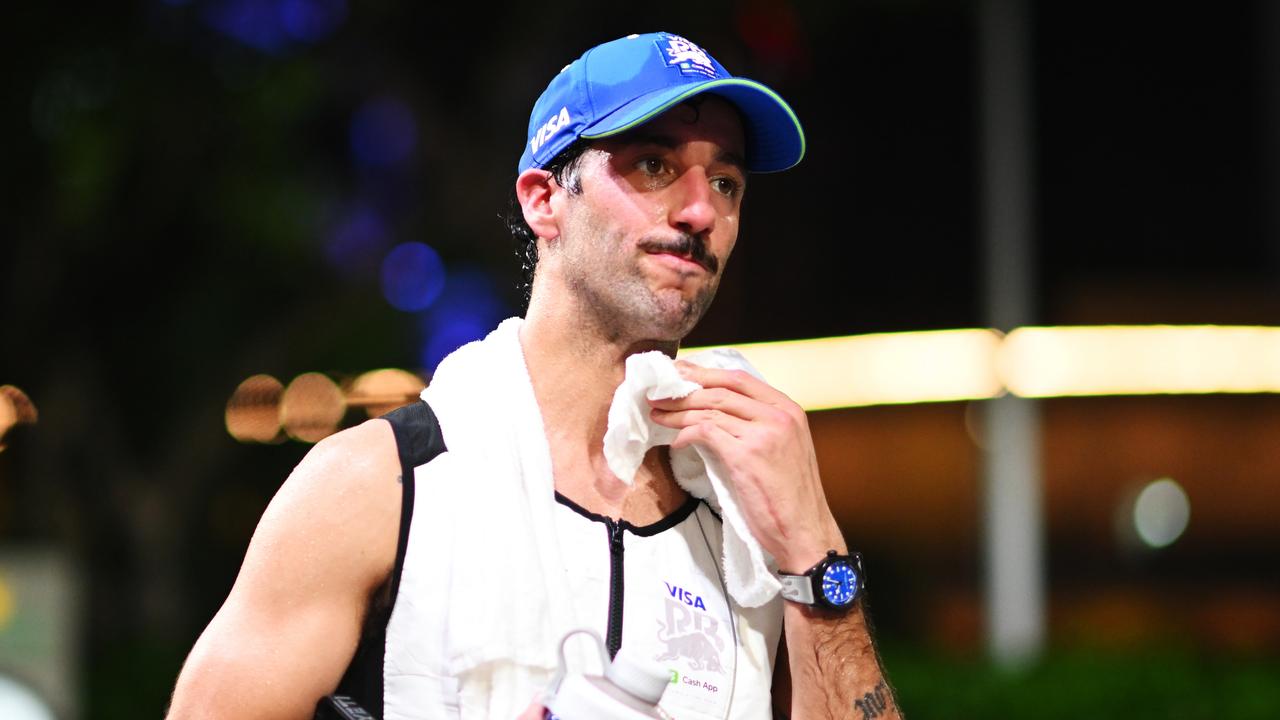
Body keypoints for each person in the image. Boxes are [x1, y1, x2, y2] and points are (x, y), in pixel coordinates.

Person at [167, 32, 901, 720]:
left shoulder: (751, 511)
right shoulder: (383, 484)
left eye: (728, 182)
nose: (702, 209)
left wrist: (815, 554)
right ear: (544, 200)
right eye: (653, 165)